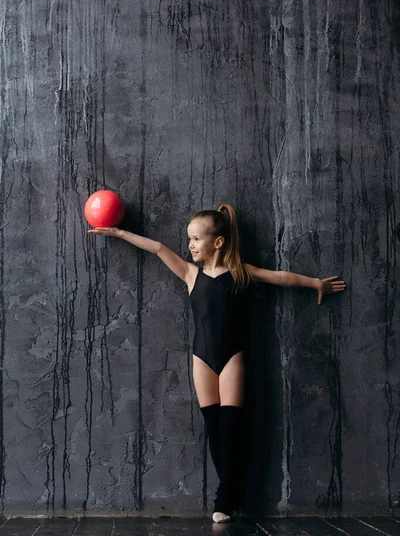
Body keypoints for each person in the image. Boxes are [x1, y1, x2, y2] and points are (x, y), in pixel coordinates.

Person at [88, 203, 346, 522]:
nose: (190, 245)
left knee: (231, 427)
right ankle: (229, 497)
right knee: (214, 428)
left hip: (232, 358)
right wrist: (118, 232)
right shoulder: (190, 273)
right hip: (201, 359)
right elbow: (156, 248)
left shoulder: (240, 273)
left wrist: (315, 283)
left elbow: (281, 277)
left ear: (218, 242)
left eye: (196, 239)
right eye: (189, 239)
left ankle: (224, 499)